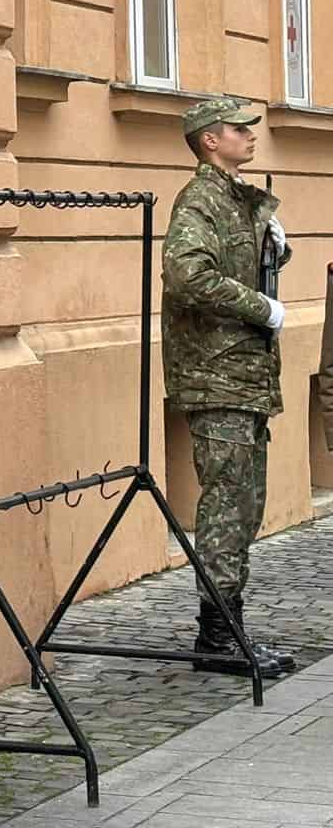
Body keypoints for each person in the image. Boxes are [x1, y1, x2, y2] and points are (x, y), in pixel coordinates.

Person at [160, 96, 293, 678]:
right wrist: (259, 306)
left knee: (245, 504)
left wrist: (271, 240)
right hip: (216, 374)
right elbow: (186, 274)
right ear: (210, 140)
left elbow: (231, 265)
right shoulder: (201, 200)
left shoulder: (235, 198)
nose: (251, 135)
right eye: (239, 129)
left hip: (242, 374)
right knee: (226, 505)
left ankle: (226, 628)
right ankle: (217, 637)